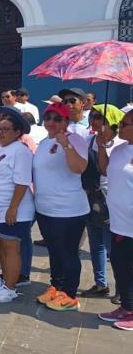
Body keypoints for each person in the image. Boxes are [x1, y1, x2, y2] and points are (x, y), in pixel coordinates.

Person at [33, 103, 90, 312]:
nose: (52, 122)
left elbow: (79, 168)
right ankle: (56, 287)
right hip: (45, 208)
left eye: (58, 118)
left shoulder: (75, 139)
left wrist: (66, 145)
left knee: (68, 253)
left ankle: (70, 294)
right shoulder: (42, 143)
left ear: (66, 122)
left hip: (68, 209)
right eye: (48, 117)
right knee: (54, 251)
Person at [0, 112, 35, 303]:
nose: (0, 133)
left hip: (11, 210)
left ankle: (10, 288)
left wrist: (13, 208)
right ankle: (5, 280)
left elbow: (22, 182)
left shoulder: (21, 150)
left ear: (17, 132)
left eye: (6, 129)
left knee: (11, 248)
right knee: (2, 246)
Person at [80, 105, 126, 300]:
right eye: (93, 116)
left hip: (108, 196)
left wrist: (101, 146)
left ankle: (122, 289)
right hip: (90, 193)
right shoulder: (89, 140)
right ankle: (100, 283)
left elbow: (104, 169)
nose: (94, 120)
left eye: (100, 117)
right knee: (95, 240)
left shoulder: (119, 145)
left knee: (111, 245)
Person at [97, 110, 133, 330]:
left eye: (125, 123)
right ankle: (127, 306)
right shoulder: (119, 149)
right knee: (120, 265)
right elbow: (105, 170)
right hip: (119, 221)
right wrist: (101, 146)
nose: (120, 126)